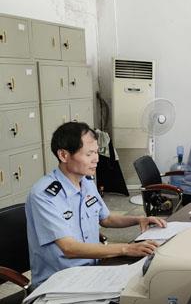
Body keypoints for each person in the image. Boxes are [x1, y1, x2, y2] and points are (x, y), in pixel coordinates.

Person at [26, 122, 163, 287]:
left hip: (93, 270)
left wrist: (139, 219)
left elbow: (106, 218)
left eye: (97, 152)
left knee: (150, 281)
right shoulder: (44, 195)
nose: (96, 159)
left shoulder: (86, 181)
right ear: (63, 155)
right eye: (89, 154)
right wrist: (126, 248)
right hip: (60, 282)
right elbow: (69, 248)